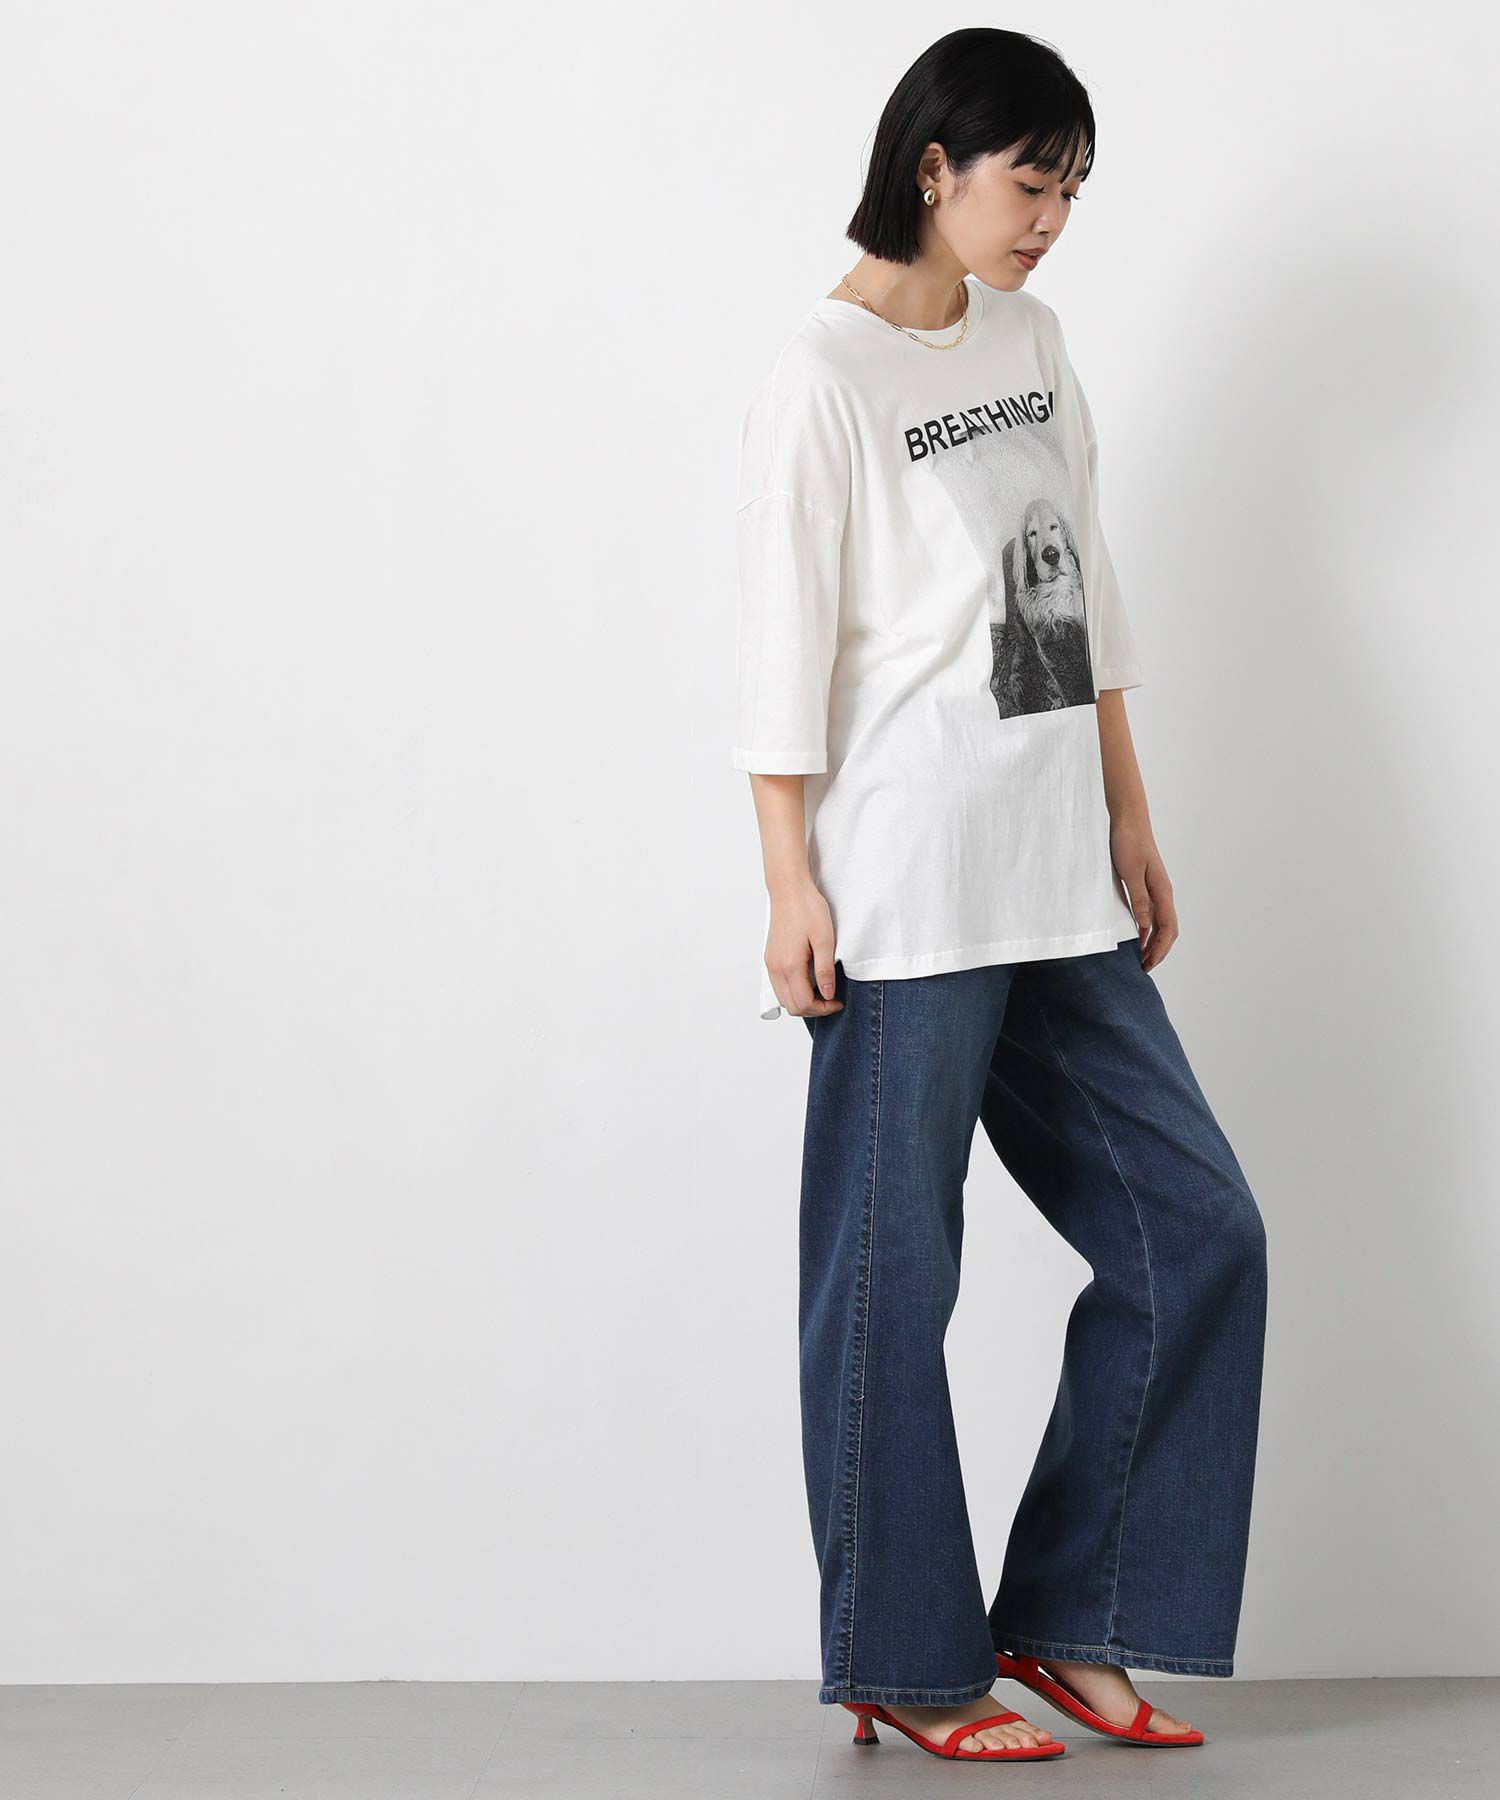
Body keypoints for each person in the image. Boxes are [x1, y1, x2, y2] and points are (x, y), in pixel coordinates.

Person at [729, 27, 1269, 1765]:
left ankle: (1072, 1615)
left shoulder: (1032, 343)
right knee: (890, 1289)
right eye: (1030, 183)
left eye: (1073, 192)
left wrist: (1130, 811)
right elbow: (780, 653)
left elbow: (1075, 590)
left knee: (1199, 1234)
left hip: (1057, 884)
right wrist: (788, 882)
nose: (1050, 221)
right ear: (932, 167)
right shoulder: (822, 378)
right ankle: (907, 1656)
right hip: (903, 892)